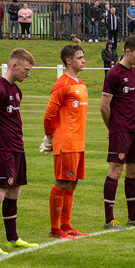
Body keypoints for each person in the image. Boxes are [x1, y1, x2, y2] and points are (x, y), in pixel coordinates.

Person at [0, 48, 39, 254]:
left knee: (14, 192)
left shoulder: (16, 90)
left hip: (16, 148)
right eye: (26, 69)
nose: (28, 73)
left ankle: (12, 239)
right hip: (2, 149)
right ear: (14, 65)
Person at [101, 35, 135, 229]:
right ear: (127, 51)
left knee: (134, 171)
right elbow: (104, 107)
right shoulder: (113, 73)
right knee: (116, 170)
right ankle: (109, 220)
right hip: (120, 130)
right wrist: (112, 128)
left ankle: (133, 217)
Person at [43, 44, 90, 239]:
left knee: (72, 183)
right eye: (79, 57)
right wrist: (49, 137)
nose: (84, 60)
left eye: (83, 57)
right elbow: (49, 114)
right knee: (62, 182)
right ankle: (55, 229)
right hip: (66, 141)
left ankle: (66, 225)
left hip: (78, 142)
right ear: (68, 61)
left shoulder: (81, 83)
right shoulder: (61, 84)